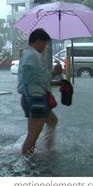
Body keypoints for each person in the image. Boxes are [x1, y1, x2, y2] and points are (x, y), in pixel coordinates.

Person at [17, 28, 63, 156]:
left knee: (52, 121)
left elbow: (34, 77)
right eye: (44, 43)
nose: (45, 47)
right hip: (35, 99)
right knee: (33, 135)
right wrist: (55, 72)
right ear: (37, 41)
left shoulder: (28, 54)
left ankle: (48, 151)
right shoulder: (33, 56)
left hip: (32, 97)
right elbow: (41, 77)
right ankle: (28, 166)